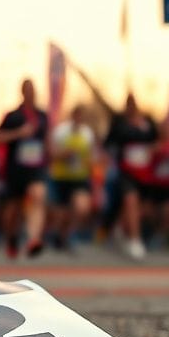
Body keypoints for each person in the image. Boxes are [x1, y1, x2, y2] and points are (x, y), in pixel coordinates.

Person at [0, 79, 49, 259]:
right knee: (13, 210)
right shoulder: (13, 116)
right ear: (23, 92)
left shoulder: (43, 116)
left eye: (34, 89)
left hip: (36, 168)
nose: (32, 93)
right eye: (28, 90)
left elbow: (46, 141)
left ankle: (33, 239)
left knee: (38, 196)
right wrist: (18, 133)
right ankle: (12, 237)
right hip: (16, 170)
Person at [104, 93, 158, 260]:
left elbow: (157, 140)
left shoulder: (148, 121)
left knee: (141, 208)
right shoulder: (119, 121)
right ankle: (135, 240)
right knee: (130, 200)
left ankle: (121, 229)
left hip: (146, 171)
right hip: (126, 171)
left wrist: (153, 149)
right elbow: (108, 143)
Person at [49, 104, 95, 249]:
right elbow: (52, 154)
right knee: (61, 213)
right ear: (74, 115)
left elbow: (93, 156)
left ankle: (69, 235)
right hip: (61, 177)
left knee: (82, 207)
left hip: (79, 177)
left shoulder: (88, 134)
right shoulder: (61, 132)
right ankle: (59, 236)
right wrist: (64, 154)